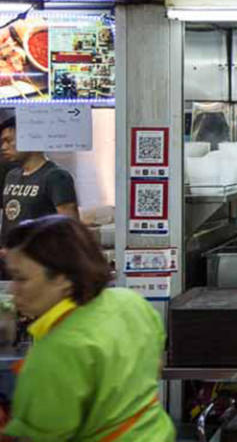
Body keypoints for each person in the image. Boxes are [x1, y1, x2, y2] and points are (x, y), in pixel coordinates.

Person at [2, 215, 174, 441]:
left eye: (20, 278)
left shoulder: (56, 352)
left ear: (62, 279)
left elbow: (40, 436)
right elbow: (156, 364)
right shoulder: (129, 302)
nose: (14, 290)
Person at [0, 117, 78, 244]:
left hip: (40, 258)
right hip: (11, 256)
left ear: (30, 139)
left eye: (9, 141)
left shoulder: (55, 176)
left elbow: (71, 227)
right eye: (2, 142)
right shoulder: (11, 176)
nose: (3, 147)